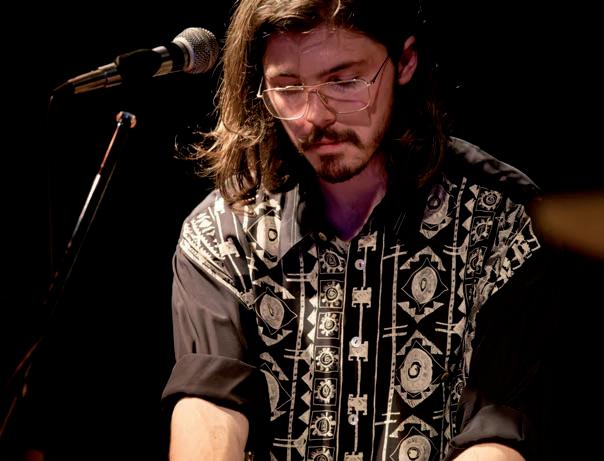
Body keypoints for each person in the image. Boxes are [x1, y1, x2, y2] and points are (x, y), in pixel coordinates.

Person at [161, 1, 554, 460]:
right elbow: (209, 411)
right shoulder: (221, 232)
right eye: (288, 88)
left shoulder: (500, 219)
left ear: (405, 62)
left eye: (345, 82)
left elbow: (498, 433)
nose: (314, 117)